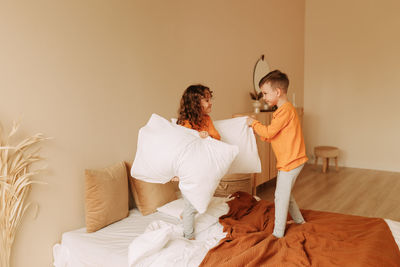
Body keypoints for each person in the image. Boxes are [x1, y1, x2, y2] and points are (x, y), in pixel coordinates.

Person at [247, 70, 308, 238]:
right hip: (290, 160)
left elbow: (269, 132)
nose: (264, 97)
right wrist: (260, 129)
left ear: (278, 92)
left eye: (265, 93)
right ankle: (299, 221)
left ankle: (278, 233)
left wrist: (254, 124)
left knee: (280, 196)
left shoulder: (285, 110)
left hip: (291, 161)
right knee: (285, 194)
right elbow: (272, 135)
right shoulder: (283, 110)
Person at [172, 84, 221, 240]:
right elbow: (180, 150)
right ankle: (188, 236)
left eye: (209, 99)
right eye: (206, 100)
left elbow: (217, 138)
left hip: (202, 168)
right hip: (188, 169)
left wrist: (207, 137)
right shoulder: (184, 124)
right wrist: (176, 173)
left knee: (201, 197)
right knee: (191, 204)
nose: (210, 102)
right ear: (194, 103)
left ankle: (184, 215)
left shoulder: (207, 120)